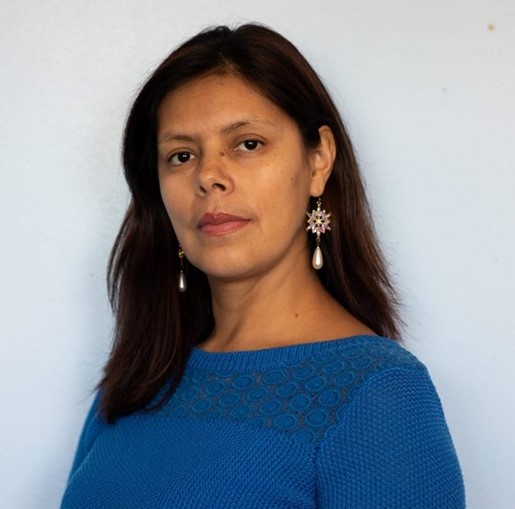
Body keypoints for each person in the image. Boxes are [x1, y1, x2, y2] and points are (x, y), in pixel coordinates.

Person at [61, 23, 465, 508]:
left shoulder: (377, 397)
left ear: (318, 160)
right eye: (181, 155)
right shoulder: (138, 380)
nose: (209, 176)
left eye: (248, 144)